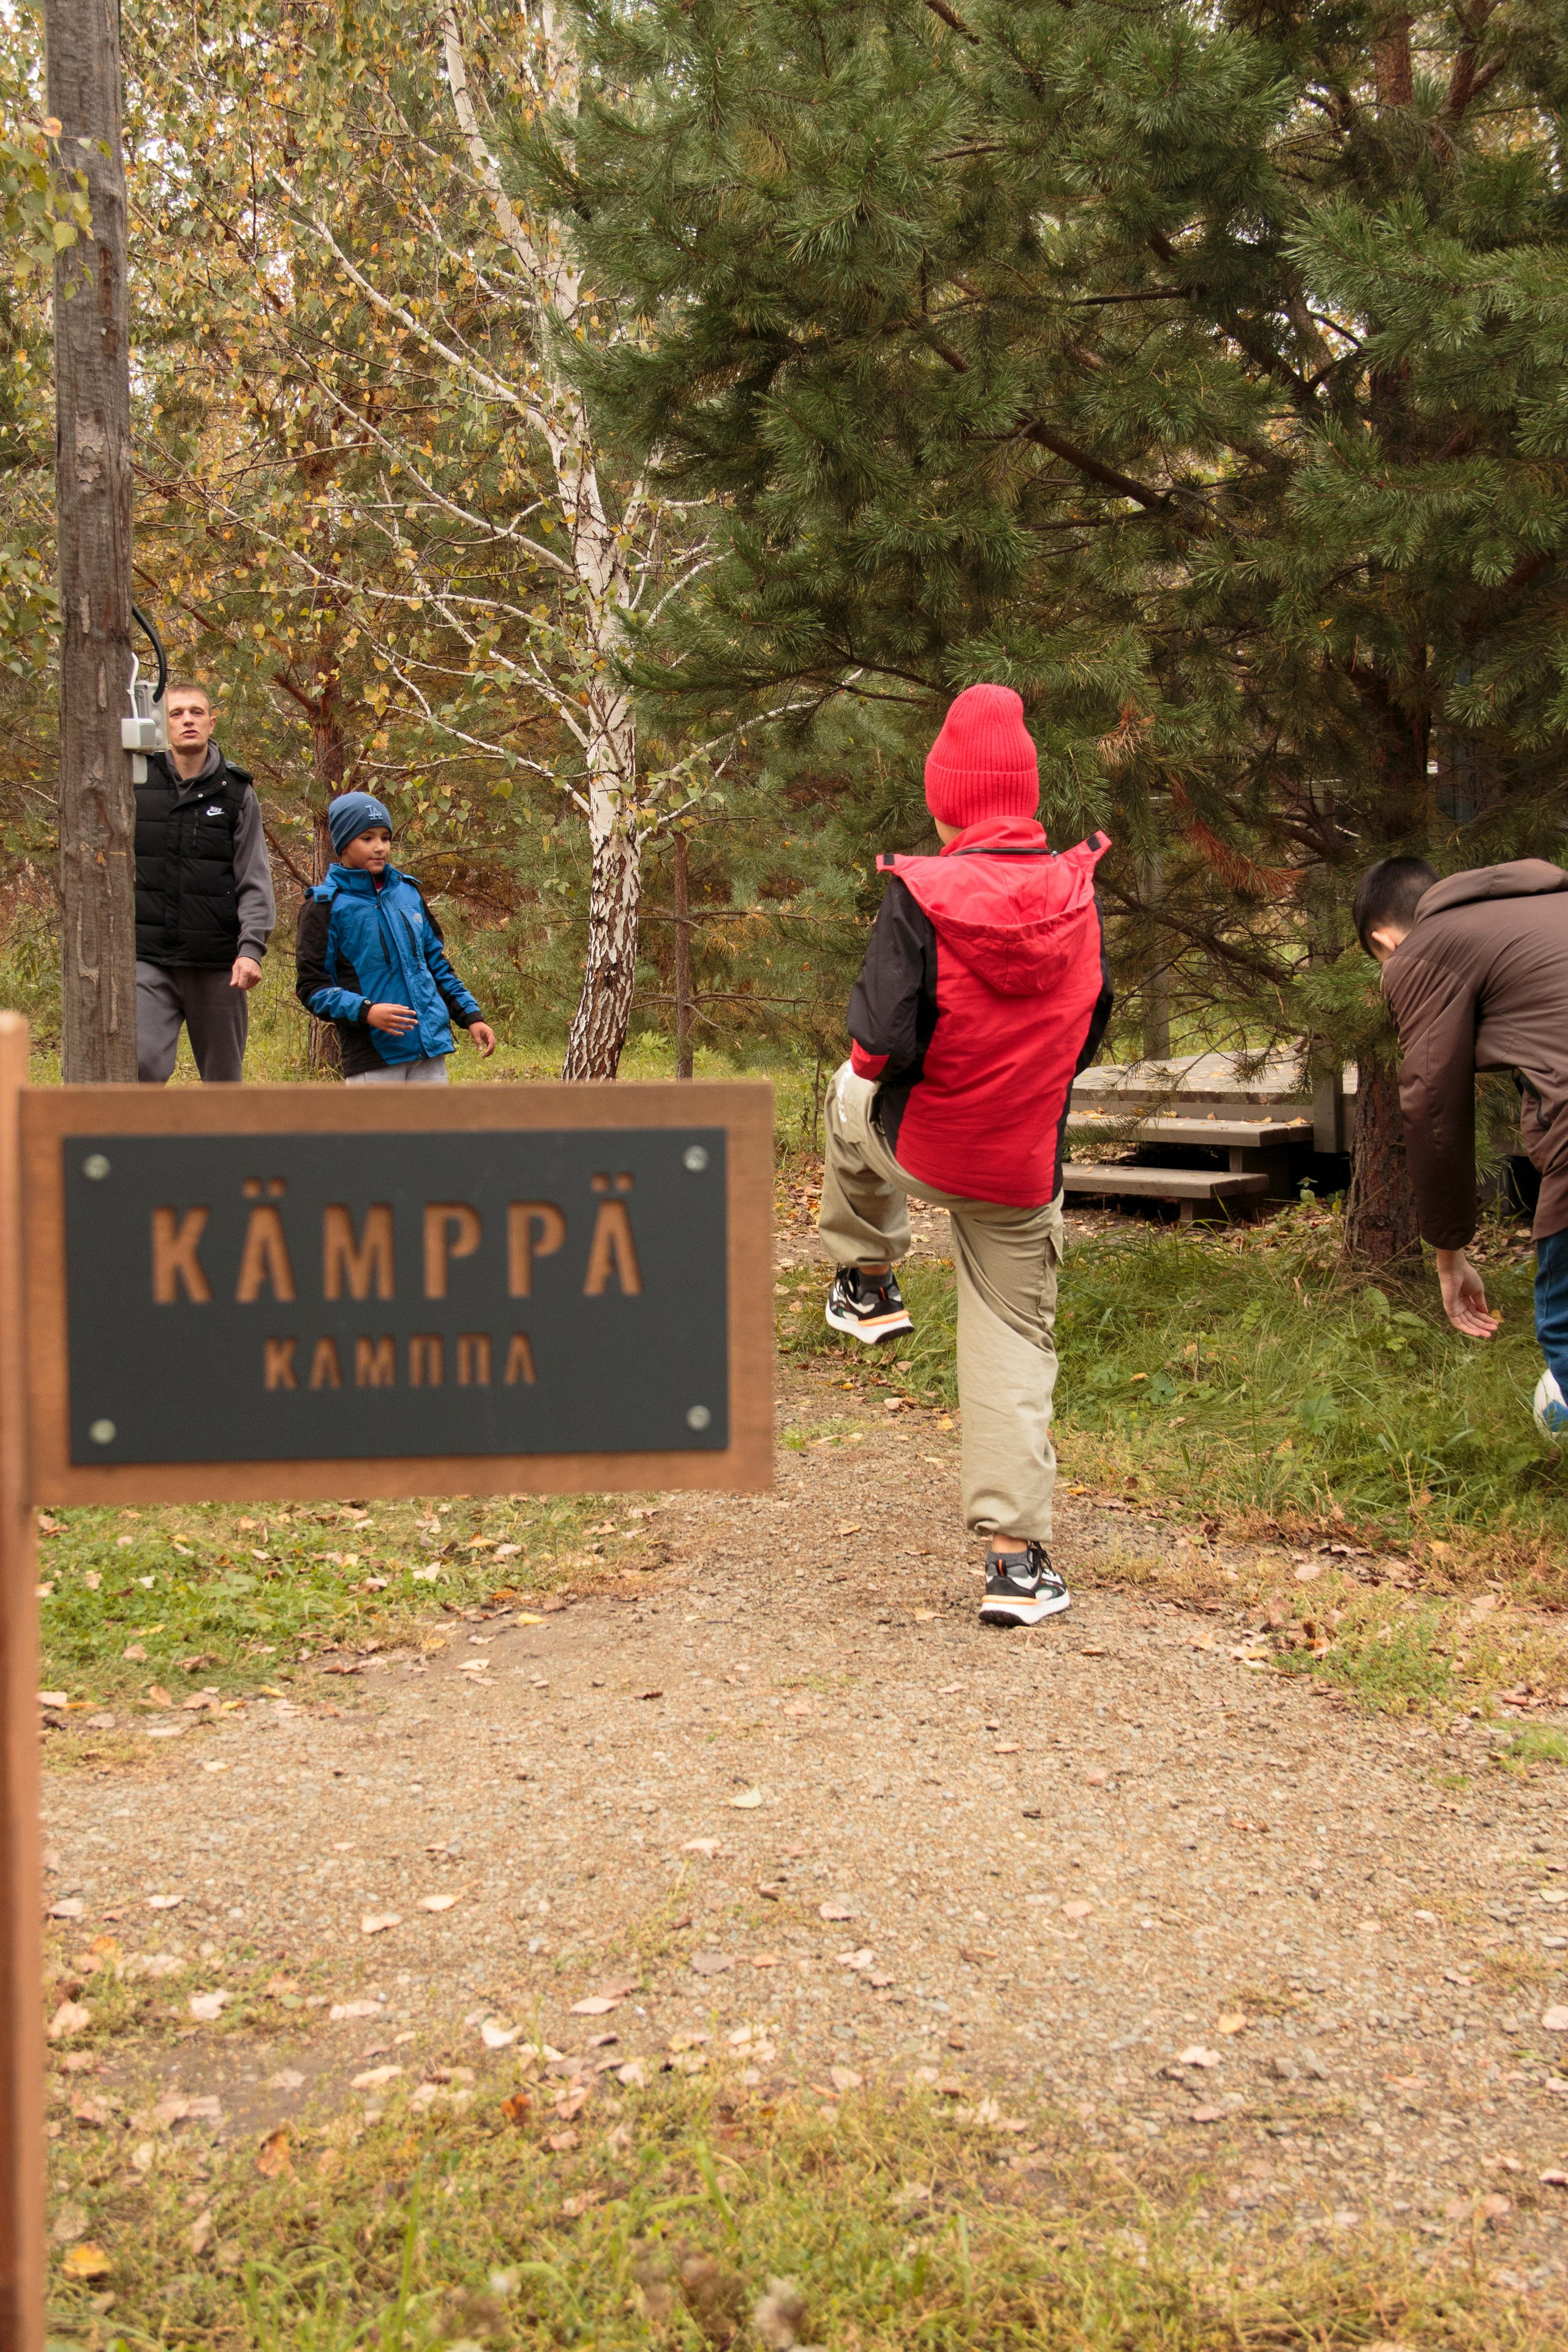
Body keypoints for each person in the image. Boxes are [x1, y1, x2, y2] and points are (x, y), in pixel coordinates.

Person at [817, 683, 1112, 1627]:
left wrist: (879, 1084)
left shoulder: (921, 895)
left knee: (843, 1090)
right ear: (1021, 797)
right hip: (1022, 1168)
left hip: (919, 1148)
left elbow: (878, 1044)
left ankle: (865, 1278)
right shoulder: (1079, 893)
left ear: (947, 799)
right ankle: (1015, 1567)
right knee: (1014, 1346)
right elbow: (1089, 1029)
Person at [1355, 852, 1568, 1428]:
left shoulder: (1421, 951)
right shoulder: (1537, 907)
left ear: (1385, 940)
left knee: (1563, 1326)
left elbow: (1433, 1106)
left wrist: (1449, 1255)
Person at [295, 791, 497, 1082]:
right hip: (373, 1057)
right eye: (367, 838)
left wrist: (471, 1017)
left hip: (429, 1051)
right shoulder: (324, 907)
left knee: (433, 1129)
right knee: (379, 1131)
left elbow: (436, 965)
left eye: (385, 838)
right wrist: (367, 1011)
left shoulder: (408, 893)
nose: (380, 848)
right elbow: (312, 987)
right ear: (343, 844)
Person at [135, 679, 276, 1083]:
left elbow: (254, 876)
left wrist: (251, 949)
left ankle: (221, 1149)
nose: (188, 721)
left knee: (223, 1085)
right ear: (163, 725)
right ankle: (142, 1148)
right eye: (177, 714)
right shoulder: (136, 781)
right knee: (139, 1066)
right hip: (148, 959)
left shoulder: (235, 791)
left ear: (212, 722)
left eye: (196, 712)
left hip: (218, 963)